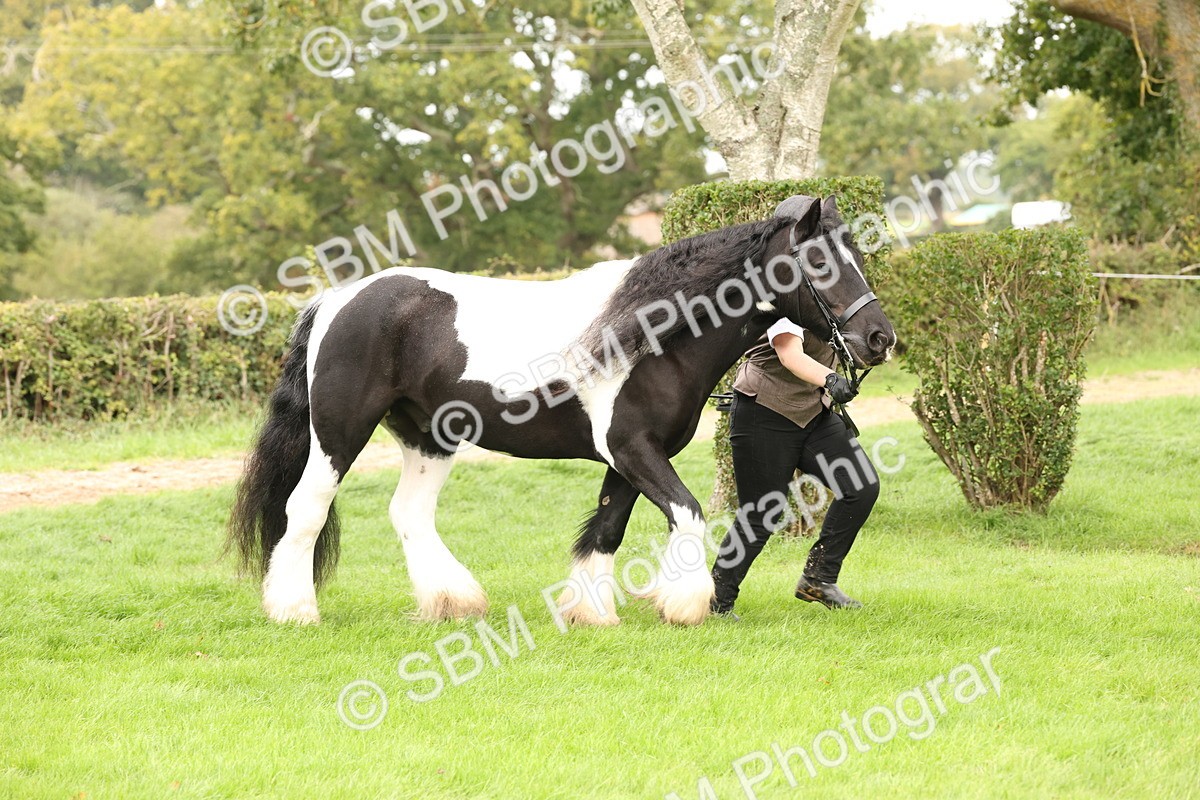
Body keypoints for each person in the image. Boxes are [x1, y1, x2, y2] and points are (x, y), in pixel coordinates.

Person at [710, 207, 881, 619]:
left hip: (812, 414)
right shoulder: (780, 292)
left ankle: (818, 578)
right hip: (764, 412)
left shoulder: (824, 285)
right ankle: (717, 599)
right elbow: (790, 354)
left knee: (861, 486)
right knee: (762, 513)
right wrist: (830, 379)